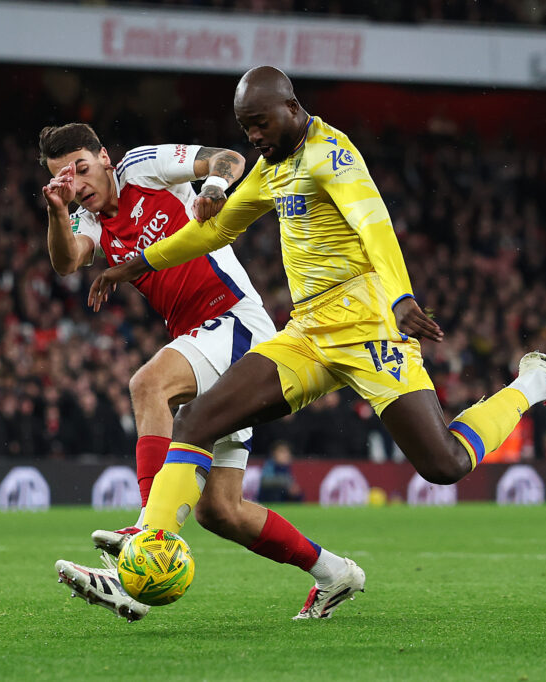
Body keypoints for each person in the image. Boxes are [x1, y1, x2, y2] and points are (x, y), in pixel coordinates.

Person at [88, 66, 546, 619]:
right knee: (198, 419)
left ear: (292, 107)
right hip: (307, 333)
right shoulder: (272, 166)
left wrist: (402, 298)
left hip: (369, 329)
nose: (254, 136)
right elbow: (217, 230)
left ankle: (536, 381)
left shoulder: (333, 156)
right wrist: (137, 265)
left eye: (261, 123)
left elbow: (375, 226)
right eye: (246, 127)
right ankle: (148, 545)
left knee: (443, 464)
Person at [37, 123, 348, 622]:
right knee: (221, 511)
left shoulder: (142, 167)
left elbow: (228, 158)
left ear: (104, 156)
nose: (77, 181)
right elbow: (67, 261)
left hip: (235, 320)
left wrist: (213, 189)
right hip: (205, 339)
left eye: (82, 167)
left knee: (148, 384)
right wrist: (57, 211)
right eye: (64, 178)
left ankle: (145, 531)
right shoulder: (86, 220)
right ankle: (335, 573)